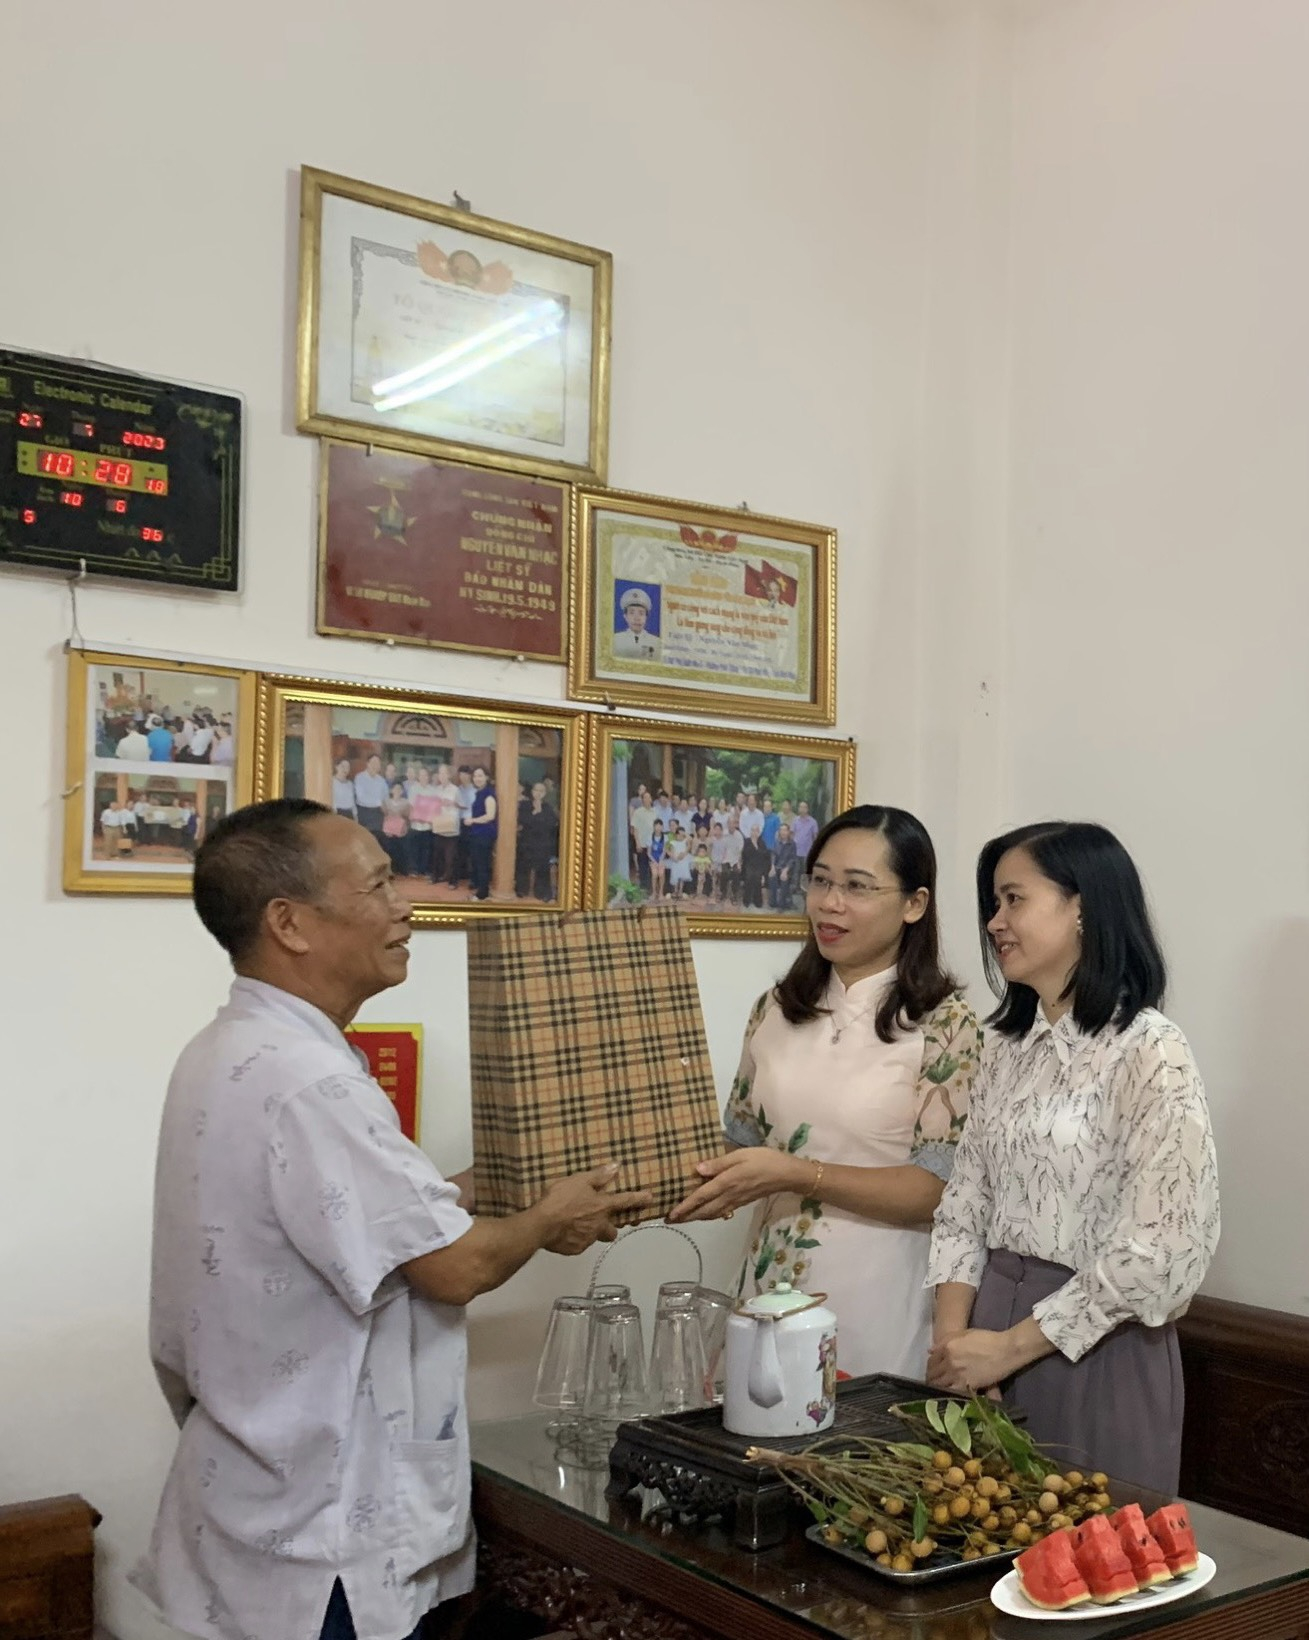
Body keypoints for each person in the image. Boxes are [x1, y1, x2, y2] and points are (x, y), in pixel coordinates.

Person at [130, 799, 651, 1640]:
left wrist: (494, 1184)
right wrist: (551, 1216)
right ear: (290, 923)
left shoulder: (230, 1049)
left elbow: (355, 1218)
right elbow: (452, 1267)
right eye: (377, 884)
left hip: (250, 1498)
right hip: (322, 1533)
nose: (404, 905)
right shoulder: (313, 1081)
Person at [926, 821, 1219, 1494]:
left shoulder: (1150, 1048)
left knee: (1091, 1575)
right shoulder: (1002, 1047)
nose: (995, 922)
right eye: (991, 905)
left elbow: (1163, 1247)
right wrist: (954, 1349)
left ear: (1081, 904)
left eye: (1013, 900)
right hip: (983, 1331)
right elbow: (963, 1204)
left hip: (1096, 1346)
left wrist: (1010, 1347)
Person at [669, 804, 982, 1379]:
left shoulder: (946, 1026)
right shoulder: (774, 1009)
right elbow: (733, 1147)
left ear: (915, 904)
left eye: (857, 887)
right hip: (767, 1283)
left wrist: (794, 1174)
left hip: (877, 1292)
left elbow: (939, 1191)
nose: (830, 903)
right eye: (820, 881)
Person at [517, 783, 558, 901]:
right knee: (523, 866)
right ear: (532, 791)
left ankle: (542, 892)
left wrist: (539, 813)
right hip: (526, 841)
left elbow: (550, 824)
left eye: (541, 791)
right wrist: (535, 812)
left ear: (544, 793)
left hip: (542, 843)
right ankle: (521, 889)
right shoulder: (525, 805)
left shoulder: (548, 807)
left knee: (542, 868)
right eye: (536, 790)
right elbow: (523, 820)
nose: (538, 793)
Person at [465, 766, 497, 901]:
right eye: (475, 776)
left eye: (480, 776)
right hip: (477, 833)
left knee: (482, 864)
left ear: (487, 777)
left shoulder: (489, 794)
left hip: (485, 834)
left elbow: (490, 816)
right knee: (478, 863)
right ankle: (481, 891)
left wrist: (472, 820)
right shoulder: (479, 793)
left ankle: (483, 893)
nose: (477, 778)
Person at [612, 585, 659, 659]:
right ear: (625, 616)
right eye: (631, 613)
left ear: (646, 617)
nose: (637, 618)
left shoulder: (656, 642)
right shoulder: (615, 640)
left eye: (641, 613)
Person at [353, 754, 388, 838]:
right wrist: (379, 802)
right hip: (364, 812)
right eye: (373, 762)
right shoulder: (359, 778)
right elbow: (361, 797)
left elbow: (385, 798)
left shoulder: (382, 781)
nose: (375, 765)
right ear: (367, 764)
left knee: (377, 840)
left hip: (378, 814)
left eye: (378, 763)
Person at [381, 781, 411, 876]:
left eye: (399, 789)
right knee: (389, 849)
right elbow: (384, 815)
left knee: (402, 849)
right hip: (389, 830)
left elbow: (407, 816)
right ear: (391, 790)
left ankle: (403, 870)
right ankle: (391, 870)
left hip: (401, 830)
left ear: (402, 791)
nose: (397, 791)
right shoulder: (386, 801)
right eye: (395, 788)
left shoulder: (406, 802)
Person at [770, 822, 798, 910]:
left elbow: (792, 859)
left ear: (788, 832)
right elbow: (773, 855)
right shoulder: (777, 842)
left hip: (788, 869)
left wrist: (785, 870)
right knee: (771, 876)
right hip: (777, 867)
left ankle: (782, 905)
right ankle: (773, 902)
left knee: (784, 879)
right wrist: (772, 867)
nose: (783, 832)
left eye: (785, 830)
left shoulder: (792, 844)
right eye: (781, 830)